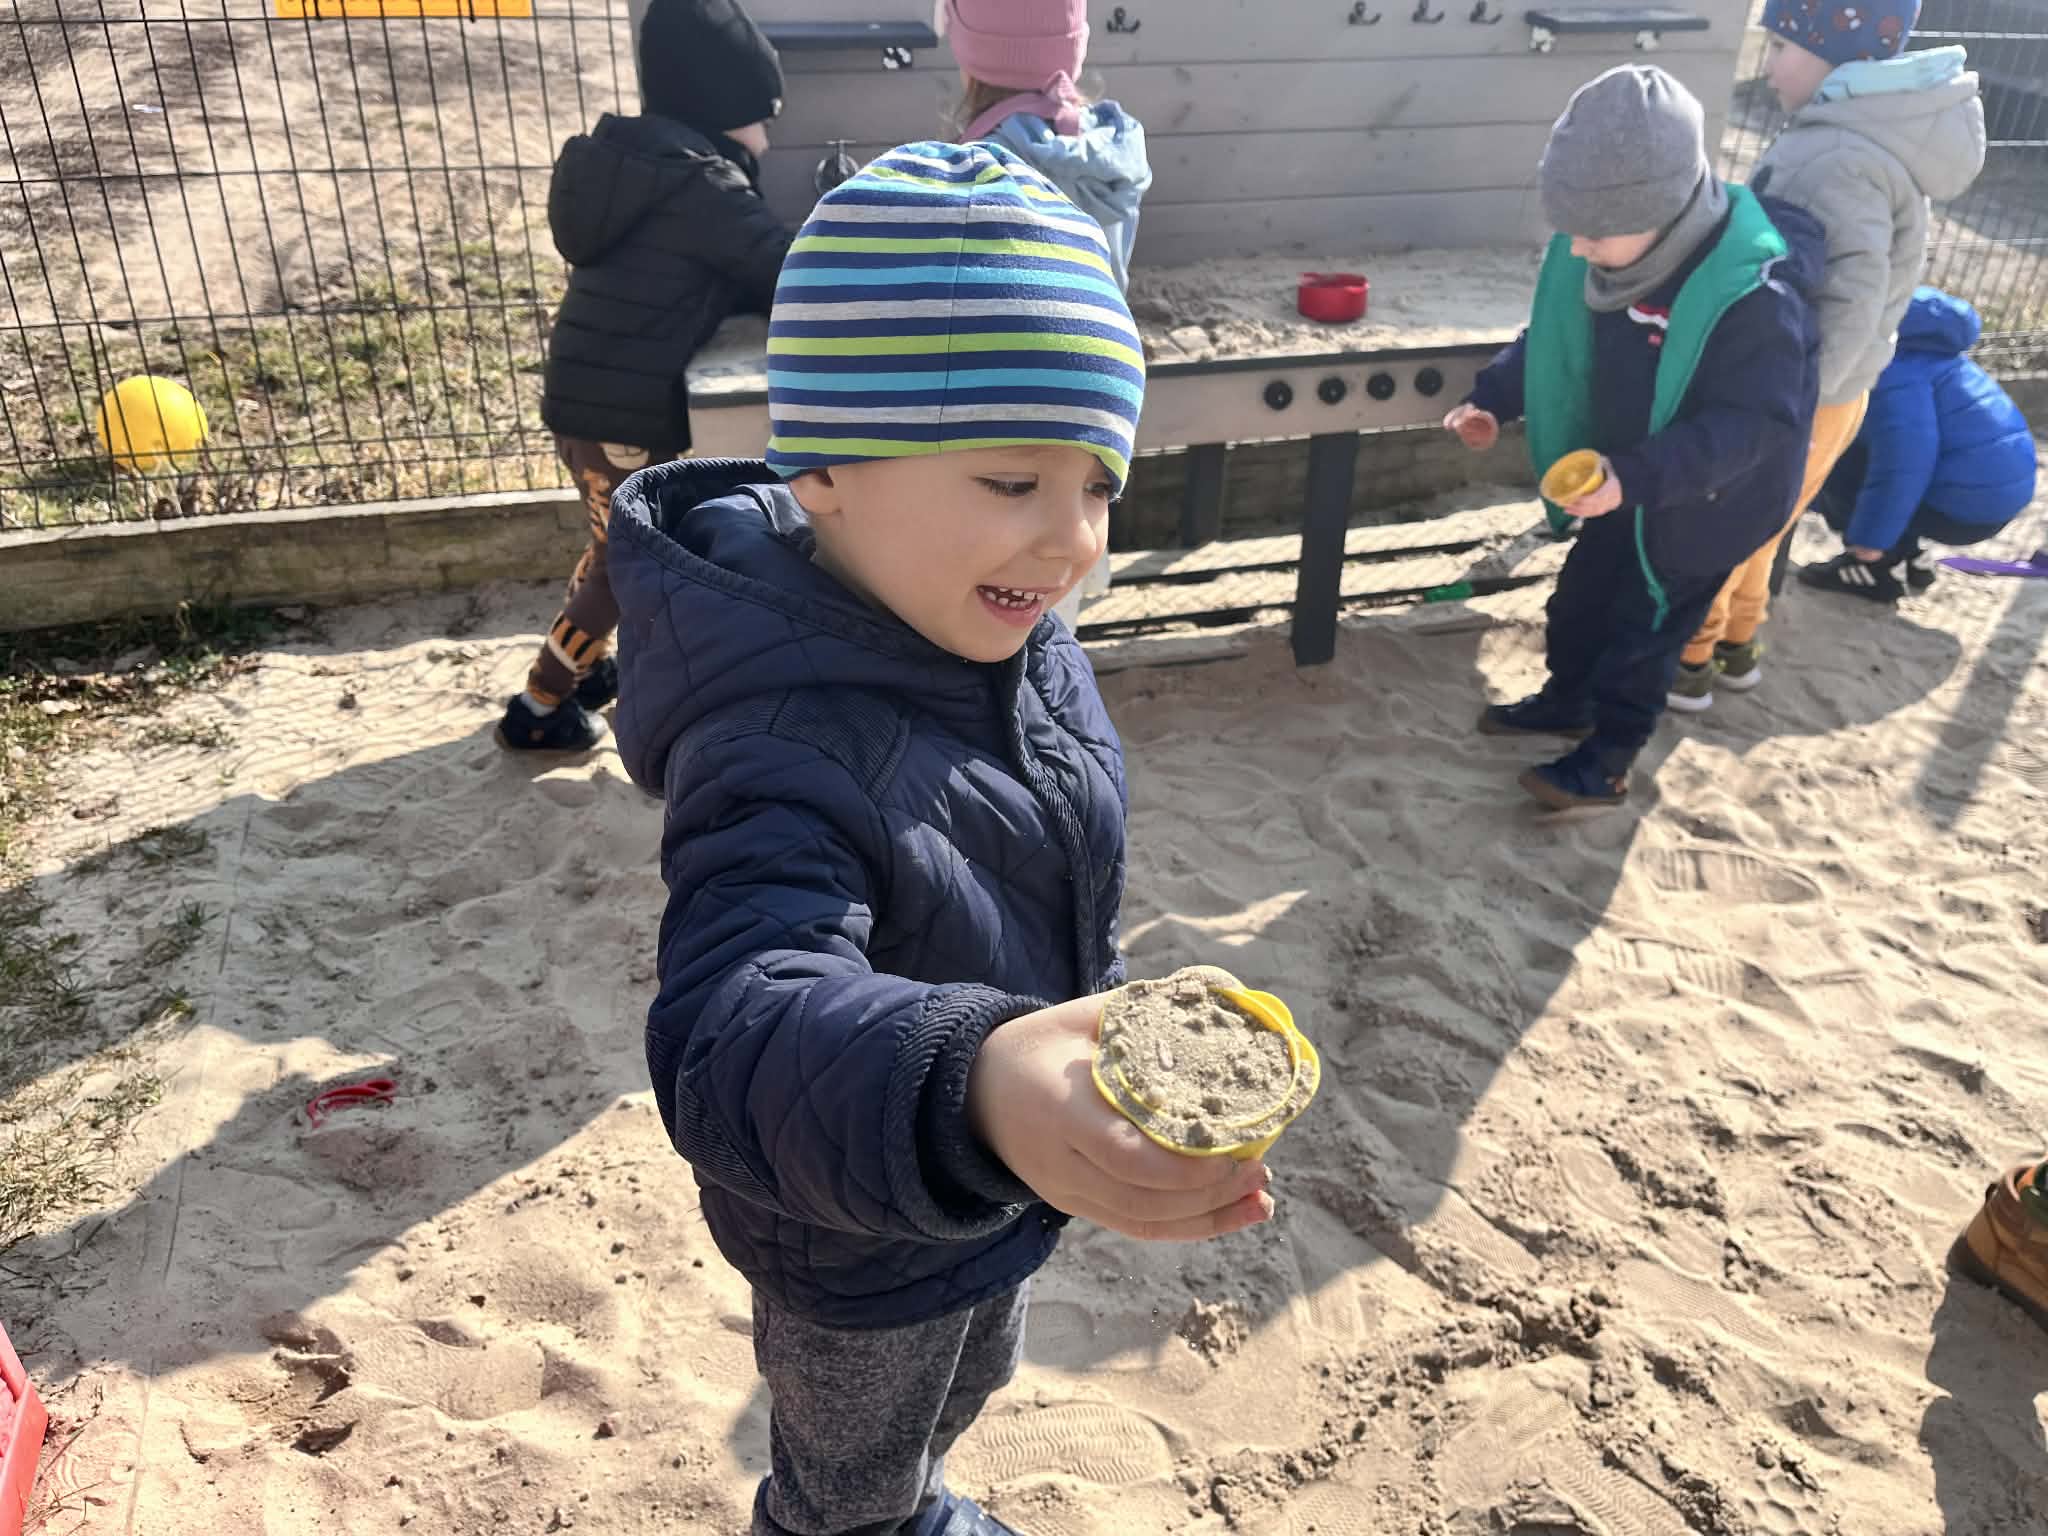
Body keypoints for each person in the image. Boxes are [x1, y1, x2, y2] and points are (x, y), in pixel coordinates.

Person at [604, 142, 1273, 1536]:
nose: (1072, 541)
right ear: (827, 468)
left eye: (1098, 485)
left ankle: (922, 1501)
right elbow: (731, 1026)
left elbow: (1037, 846)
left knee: (971, 1373)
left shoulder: (1007, 638)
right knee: (847, 1470)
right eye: (1013, 481)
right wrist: (969, 1082)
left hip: (986, 1178)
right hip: (850, 1221)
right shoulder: (774, 743)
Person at [1444, 66, 1822, 811]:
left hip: (1704, 499)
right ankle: (1567, 700)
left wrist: (1639, 475)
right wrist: (1491, 398)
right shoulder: (1614, 258)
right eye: (1571, 229)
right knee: (1579, 602)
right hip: (1624, 479)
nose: (1577, 249)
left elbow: (1755, 423)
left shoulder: (1754, 295)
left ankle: (1609, 762)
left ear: (1665, 209)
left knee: (1643, 630)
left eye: (1594, 232)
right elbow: (1554, 342)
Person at [1668, 0, 1985, 708]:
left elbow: (1851, 295)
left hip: (1804, 387)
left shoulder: (1839, 154)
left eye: (1782, 47)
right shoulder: (1867, 137)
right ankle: (1735, 643)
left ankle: (1687, 658)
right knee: (1764, 524)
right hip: (1834, 387)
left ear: (1834, 53)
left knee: (1725, 519)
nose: (1768, 66)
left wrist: (1786, 403)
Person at [498, 0, 793, 753]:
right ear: (722, 110)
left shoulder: (640, 172)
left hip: (586, 405)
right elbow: (783, 270)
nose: (767, 138)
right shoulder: (704, 185)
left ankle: (582, 659)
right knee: (622, 564)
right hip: (621, 418)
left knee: (609, 546)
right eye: (761, 119)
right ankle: (539, 706)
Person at [936, 0, 1154, 631]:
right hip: (1092, 404)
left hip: (1004, 417)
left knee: (994, 611)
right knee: (1058, 598)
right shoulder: (1108, 146)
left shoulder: (977, 167)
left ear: (969, 52)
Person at [1798, 286, 2037, 601]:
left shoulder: (1890, 371)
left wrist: (1870, 541)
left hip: (1967, 510)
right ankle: (1909, 552)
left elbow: (1903, 465)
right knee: (1864, 449)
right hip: (1997, 494)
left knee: (1838, 457)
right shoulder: (1922, 343)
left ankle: (1872, 567)